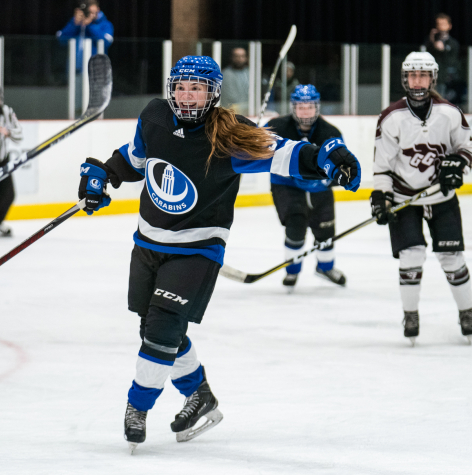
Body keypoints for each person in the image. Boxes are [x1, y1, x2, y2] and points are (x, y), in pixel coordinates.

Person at [76, 56, 361, 452]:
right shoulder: (154, 116)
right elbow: (134, 159)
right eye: (181, 86)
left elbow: (286, 154)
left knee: (160, 331)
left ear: (213, 94)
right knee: (155, 331)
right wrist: (103, 175)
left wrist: (325, 158)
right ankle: (201, 397)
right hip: (147, 245)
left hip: (197, 250)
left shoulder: (231, 136)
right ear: (170, 88)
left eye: (197, 88)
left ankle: (137, 407)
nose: (187, 95)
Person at [371, 51, 472, 344]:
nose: (418, 80)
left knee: (452, 257)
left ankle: (467, 311)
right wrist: (380, 197)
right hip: (406, 199)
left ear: (432, 78)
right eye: (413, 75)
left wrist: (458, 163)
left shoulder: (450, 113)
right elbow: (383, 167)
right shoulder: (391, 117)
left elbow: (466, 146)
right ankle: (410, 313)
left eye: (423, 75)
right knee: (411, 256)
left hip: (442, 198)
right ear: (405, 78)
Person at [267, 84, 347, 289]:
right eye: (301, 107)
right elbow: (259, 152)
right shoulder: (276, 127)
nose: (305, 111)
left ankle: (325, 267)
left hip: (319, 188)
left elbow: (342, 166)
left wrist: (327, 179)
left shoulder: (330, 132)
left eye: (309, 107)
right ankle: (292, 271)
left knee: (326, 231)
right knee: (295, 227)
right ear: (293, 107)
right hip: (286, 185)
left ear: (317, 107)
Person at [56, 1, 114, 112]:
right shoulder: (76, 24)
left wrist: (90, 25)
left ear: (97, 9)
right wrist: (75, 24)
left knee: (95, 107)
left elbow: (105, 42)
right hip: (76, 71)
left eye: (91, 9)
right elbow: (61, 39)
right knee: (76, 106)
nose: (88, 12)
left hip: (96, 73)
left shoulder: (105, 24)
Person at [0, 85, 23, 237]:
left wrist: (8, 132)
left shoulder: (7, 112)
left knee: (8, 195)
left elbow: (19, 135)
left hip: (2, 162)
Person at [425, 13, 460, 101]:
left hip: (447, 79)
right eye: (439, 24)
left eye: (443, 24)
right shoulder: (430, 42)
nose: (441, 27)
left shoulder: (453, 43)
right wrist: (432, 41)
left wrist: (443, 50)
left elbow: (452, 61)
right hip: (431, 77)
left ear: (449, 26)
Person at [220, 47, 249, 115]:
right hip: (230, 114)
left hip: (248, 112)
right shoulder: (225, 74)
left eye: (242, 56)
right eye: (237, 56)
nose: (239, 59)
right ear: (232, 57)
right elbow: (232, 99)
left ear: (246, 58)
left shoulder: (250, 73)